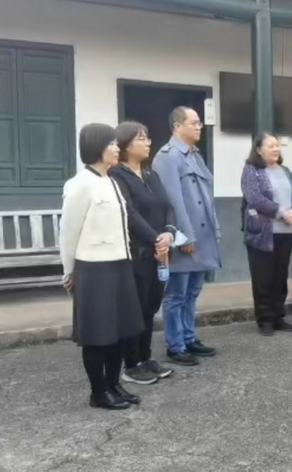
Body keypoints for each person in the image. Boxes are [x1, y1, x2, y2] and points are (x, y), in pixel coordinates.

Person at [60, 123, 144, 410]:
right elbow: (68, 232)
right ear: (97, 147)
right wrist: (69, 270)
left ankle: (113, 384)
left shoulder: (112, 181)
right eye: (112, 144)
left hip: (119, 264)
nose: (117, 148)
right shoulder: (80, 184)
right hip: (93, 269)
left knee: (119, 331)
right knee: (97, 335)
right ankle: (99, 392)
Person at [152, 106, 221, 366]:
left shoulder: (194, 154)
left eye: (199, 122)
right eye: (193, 122)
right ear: (177, 126)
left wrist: (215, 228)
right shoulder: (167, 156)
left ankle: (189, 338)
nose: (198, 127)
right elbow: (173, 200)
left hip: (202, 234)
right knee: (176, 294)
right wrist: (185, 235)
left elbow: (206, 197)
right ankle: (175, 345)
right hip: (184, 237)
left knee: (192, 292)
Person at [110, 121, 176, 384]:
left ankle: (145, 357)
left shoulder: (150, 173)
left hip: (158, 252)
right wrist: (156, 239)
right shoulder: (117, 176)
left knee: (150, 306)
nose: (148, 142)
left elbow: (167, 205)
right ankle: (131, 364)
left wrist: (168, 233)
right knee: (134, 309)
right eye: (141, 138)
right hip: (136, 252)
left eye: (148, 138)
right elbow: (130, 213)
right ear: (125, 145)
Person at [241, 132, 292, 336]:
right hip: (262, 234)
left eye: (277, 145)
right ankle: (265, 320)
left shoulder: (286, 171)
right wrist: (281, 212)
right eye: (271, 146)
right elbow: (255, 198)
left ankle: (278, 317)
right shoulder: (252, 171)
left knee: (280, 277)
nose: (276, 149)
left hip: (286, 232)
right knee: (263, 278)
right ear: (259, 150)